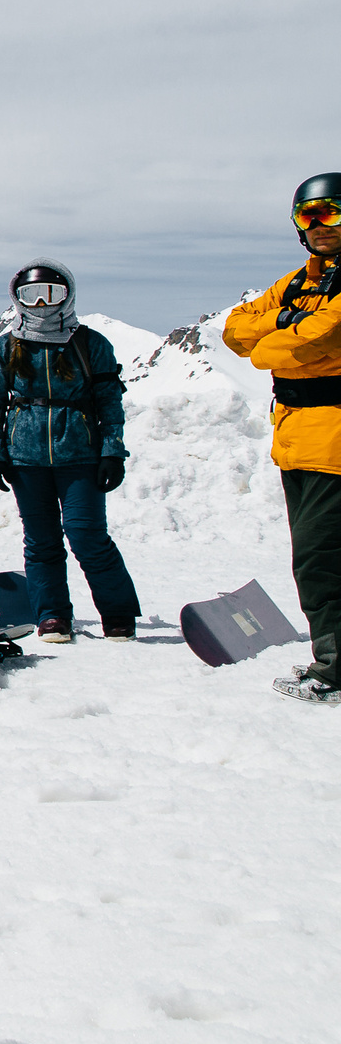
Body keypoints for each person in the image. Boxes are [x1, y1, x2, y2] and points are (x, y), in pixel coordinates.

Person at [223, 174, 341, 703]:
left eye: (330, 212)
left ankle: (335, 671)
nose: (318, 225)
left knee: (321, 560)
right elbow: (234, 330)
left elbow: (308, 344)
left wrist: (273, 338)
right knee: (318, 556)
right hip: (299, 441)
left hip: (333, 441)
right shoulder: (300, 284)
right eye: (307, 215)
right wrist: (286, 318)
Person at [0, 261, 137, 642]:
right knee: (41, 540)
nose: (40, 305)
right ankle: (52, 616)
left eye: (51, 294)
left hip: (80, 456)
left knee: (86, 535)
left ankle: (117, 614)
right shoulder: (6, 346)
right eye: (29, 296)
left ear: (68, 296)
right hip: (25, 458)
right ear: (16, 299)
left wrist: (112, 451)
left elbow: (109, 401)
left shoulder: (90, 343)